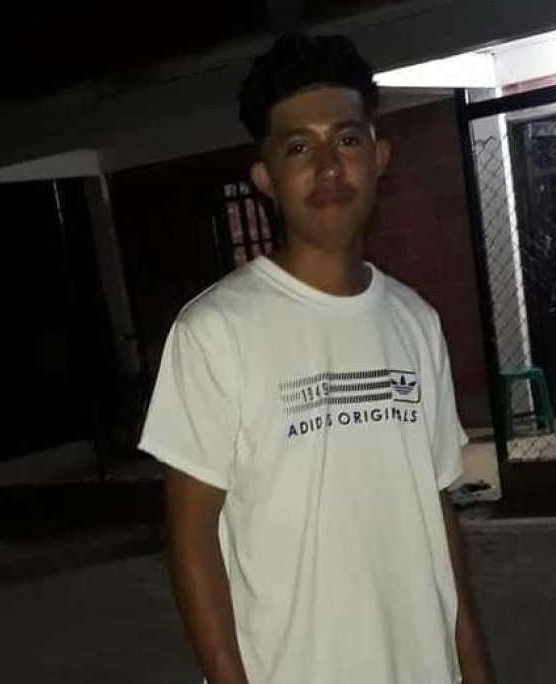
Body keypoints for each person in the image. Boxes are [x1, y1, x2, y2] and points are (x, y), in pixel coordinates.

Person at [139, 32, 494, 684]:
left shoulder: (415, 322)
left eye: (347, 139)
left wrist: (473, 666)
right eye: (299, 147)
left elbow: (434, 512)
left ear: (378, 157)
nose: (328, 167)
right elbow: (191, 541)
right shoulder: (214, 332)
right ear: (266, 179)